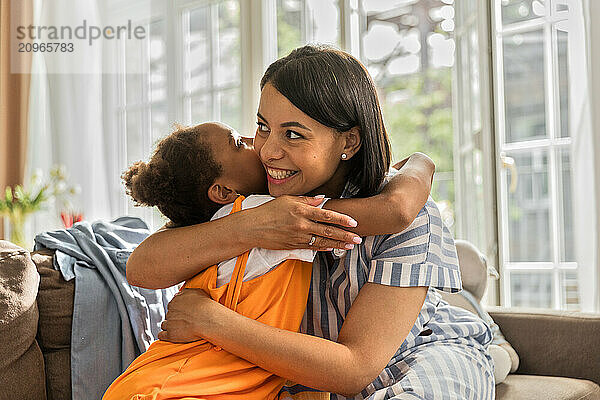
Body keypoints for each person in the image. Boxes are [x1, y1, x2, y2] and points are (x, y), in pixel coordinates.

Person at [128, 45, 495, 399]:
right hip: (303, 377)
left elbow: (353, 369)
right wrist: (256, 225)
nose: (267, 151)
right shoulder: (255, 198)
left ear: (348, 141)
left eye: (293, 134)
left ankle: (485, 329)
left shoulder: (409, 213)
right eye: (262, 126)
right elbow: (143, 267)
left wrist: (210, 320)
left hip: (414, 356)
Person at [104, 122, 437, 399]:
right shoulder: (266, 212)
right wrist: (421, 162)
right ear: (223, 191)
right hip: (176, 384)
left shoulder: (208, 225)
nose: (256, 145)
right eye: (238, 143)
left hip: (175, 381)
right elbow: (392, 212)